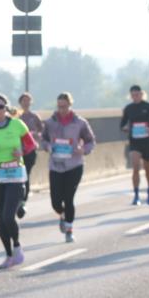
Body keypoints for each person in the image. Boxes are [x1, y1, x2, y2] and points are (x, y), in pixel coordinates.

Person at [0, 94, 37, 268]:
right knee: (0, 219)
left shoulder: (17, 125)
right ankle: (9, 255)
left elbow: (32, 145)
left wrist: (22, 152)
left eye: (0, 107)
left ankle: (17, 246)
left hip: (15, 173)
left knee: (8, 216)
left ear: (6, 108)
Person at [41, 93, 96, 243]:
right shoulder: (50, 122)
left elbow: (91, 141)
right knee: (55, 201)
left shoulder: (79, 122)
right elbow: (43, 139)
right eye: (59, 106)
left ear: (70, 105)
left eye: (64, 106)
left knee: (69, 197)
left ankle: (69, 229)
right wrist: (47, 146)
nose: (62, 109)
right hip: (56, 165)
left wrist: (83, 149)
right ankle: (63, 214)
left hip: (74, 165)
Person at [120, 85, 149, 205]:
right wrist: (125, 128)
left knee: (147, 169)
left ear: (141, 94)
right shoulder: (128, 109)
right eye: (133, 95)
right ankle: (136, 195)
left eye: (137, 94)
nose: (135, 97)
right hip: (134, 142)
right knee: (135, 168)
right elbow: (122, 125)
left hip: (147, 142)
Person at [17, 92, 44, 218]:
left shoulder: (34, 117)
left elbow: (42, 131)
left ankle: (23, 200)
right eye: (24, 101)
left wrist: (35, 135)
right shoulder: (16, 116)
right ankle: (15, 198)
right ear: (20, 102)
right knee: (16, 176)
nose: (26, 103)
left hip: (30, 151)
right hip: (16, 152)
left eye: (28, 101)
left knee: (25, 174)